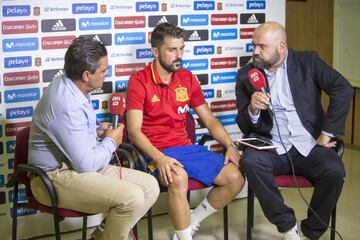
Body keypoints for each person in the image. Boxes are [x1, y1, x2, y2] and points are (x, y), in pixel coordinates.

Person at [28, 37, 159, 240]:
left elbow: (72, 135)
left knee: (150, 187)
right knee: (131, 197)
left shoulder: (73, 85)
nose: (106, 75)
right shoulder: (65, 103)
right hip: (52, 178)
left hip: (75, 165)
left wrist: (97, 131)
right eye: (103, 71)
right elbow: (86, 164)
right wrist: (111, 141)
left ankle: (100, 236)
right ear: (86, 74)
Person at [126, 22, 245, 240]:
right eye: (172, 50)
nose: (179, 55)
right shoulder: (138, 80)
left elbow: (209, 119)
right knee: (178, 178)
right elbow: (134, 132)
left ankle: (190, 223)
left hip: (186, 148)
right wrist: (159, 158)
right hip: (155, 151)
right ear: (155, 51)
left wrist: (230, 145)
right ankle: (184, 237)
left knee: (235, 178)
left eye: (181, 48)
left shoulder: (188, 78)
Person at [235, 22, 354, 240]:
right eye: (253, 45)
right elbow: (244, 125)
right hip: (271, 147)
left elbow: (343, 88)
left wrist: (327, 132)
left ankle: (311, 231)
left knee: (334, 171)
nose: (255, 52)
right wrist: (252, 108)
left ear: (281, 47)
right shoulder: (246, 75)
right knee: (251, 162)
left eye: (262, 46)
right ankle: (288, 227)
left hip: (310, 144)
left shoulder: (308, 62)